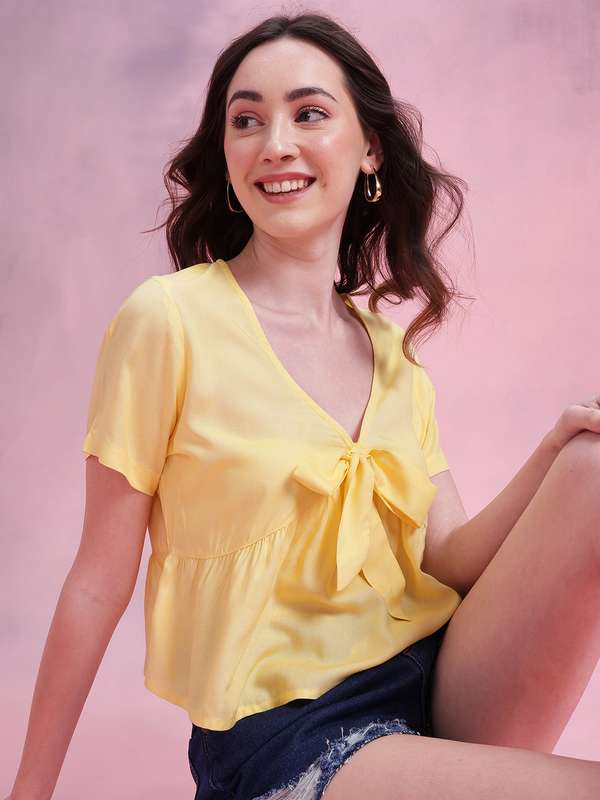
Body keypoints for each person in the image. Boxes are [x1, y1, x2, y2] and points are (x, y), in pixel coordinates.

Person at [7, 10, 600, 800]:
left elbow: (448, 561)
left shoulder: (391, 356)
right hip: (292, 734)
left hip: (436, 685)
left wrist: (556, 448)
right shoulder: (170, 321)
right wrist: (29, 791)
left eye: (309, 113)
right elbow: (96, 582)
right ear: (226, 155)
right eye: (246, 120)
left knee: (593, 467)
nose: (275, 143)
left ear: (370, 148)